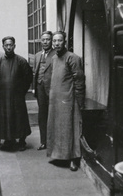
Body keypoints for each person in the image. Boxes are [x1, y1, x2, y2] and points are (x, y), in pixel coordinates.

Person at [47, 31, 85, 171]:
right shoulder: (54, 58)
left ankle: (73, 159)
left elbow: (79, 81)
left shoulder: (73, 58)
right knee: (57, 128)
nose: (56, 43)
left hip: (68, 100)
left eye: (59, 40)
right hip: (56, 99)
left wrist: (80, 101)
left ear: (65, 42)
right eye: (54, 41)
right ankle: (59, 155)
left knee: (70, 129)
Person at [0, 36, 33, 151]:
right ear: (3, 46)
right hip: (3, 97)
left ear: (14, 46)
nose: (9, 47)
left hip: (17, 96)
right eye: (6, 45)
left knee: (20, 118)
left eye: (11, 45)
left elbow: (28, 78)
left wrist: (21, 91)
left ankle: (22, 140)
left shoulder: (21, 61)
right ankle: (9, 139)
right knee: (6, 118)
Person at [33, 31, 55, 150]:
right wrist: (34, 88)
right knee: (42, 115)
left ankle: (53, 142)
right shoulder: (37, 55)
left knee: (53, 115)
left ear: (51, 41)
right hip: (40, 88)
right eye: (43, 39)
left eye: (47, 39)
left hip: (52, 89)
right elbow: (35, 73)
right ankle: (43, 141)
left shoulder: (56, 54)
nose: (45, 42)